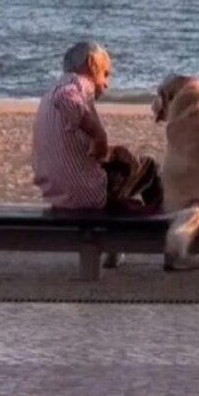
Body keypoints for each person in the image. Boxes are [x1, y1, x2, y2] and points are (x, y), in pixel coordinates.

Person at [31, 42, 162, 267]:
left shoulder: (49, 93)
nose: (107, 83)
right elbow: (67, 99)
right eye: (105, 74)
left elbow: (77, 149)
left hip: (57, 194)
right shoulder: (75, 85)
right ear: (92, 64)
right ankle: (173, 251)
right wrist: (99, 133)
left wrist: (110, 151)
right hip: (83, 194)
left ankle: (114, 247)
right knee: (148, 168)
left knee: (124, 168)